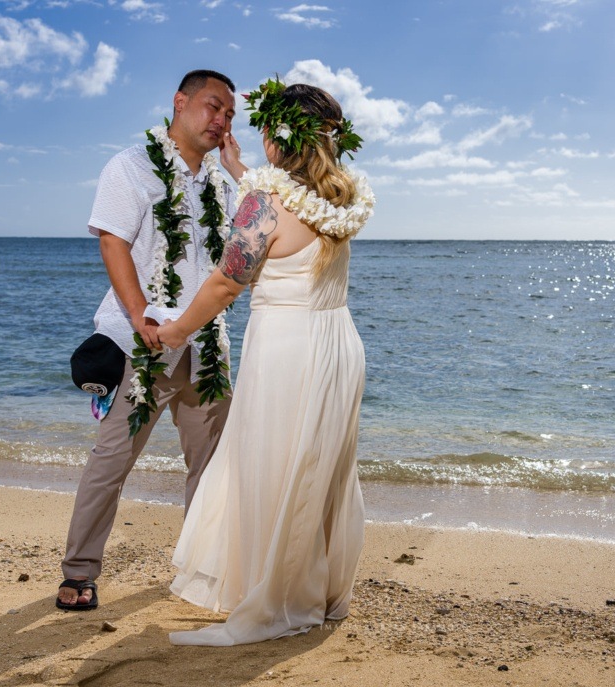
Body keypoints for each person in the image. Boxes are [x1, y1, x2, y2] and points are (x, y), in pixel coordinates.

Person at [158, 79, 375, 645]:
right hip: (338, 343)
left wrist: (176, 329)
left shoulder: (262, 203)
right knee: (317, 469)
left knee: (272, 468)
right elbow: (288, 220)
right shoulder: (341, 197)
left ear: (277, 136)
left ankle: (278, 601)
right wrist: (240, 172)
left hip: (287, 348)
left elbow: (229, 279)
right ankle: (319, 593)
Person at [56, 69, 244, 611]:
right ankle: (80, 570)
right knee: (111, 460)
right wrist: (140, 317)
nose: (221, 120)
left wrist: (237, 169)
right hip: (141, 343)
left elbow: (250, 241)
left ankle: (202, 569)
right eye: (213, 107)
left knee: (209, 469)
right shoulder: (131, 167)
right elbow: (114, 244)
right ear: (180, 102)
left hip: (207, 348)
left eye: (229, 115)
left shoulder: (222, 182)